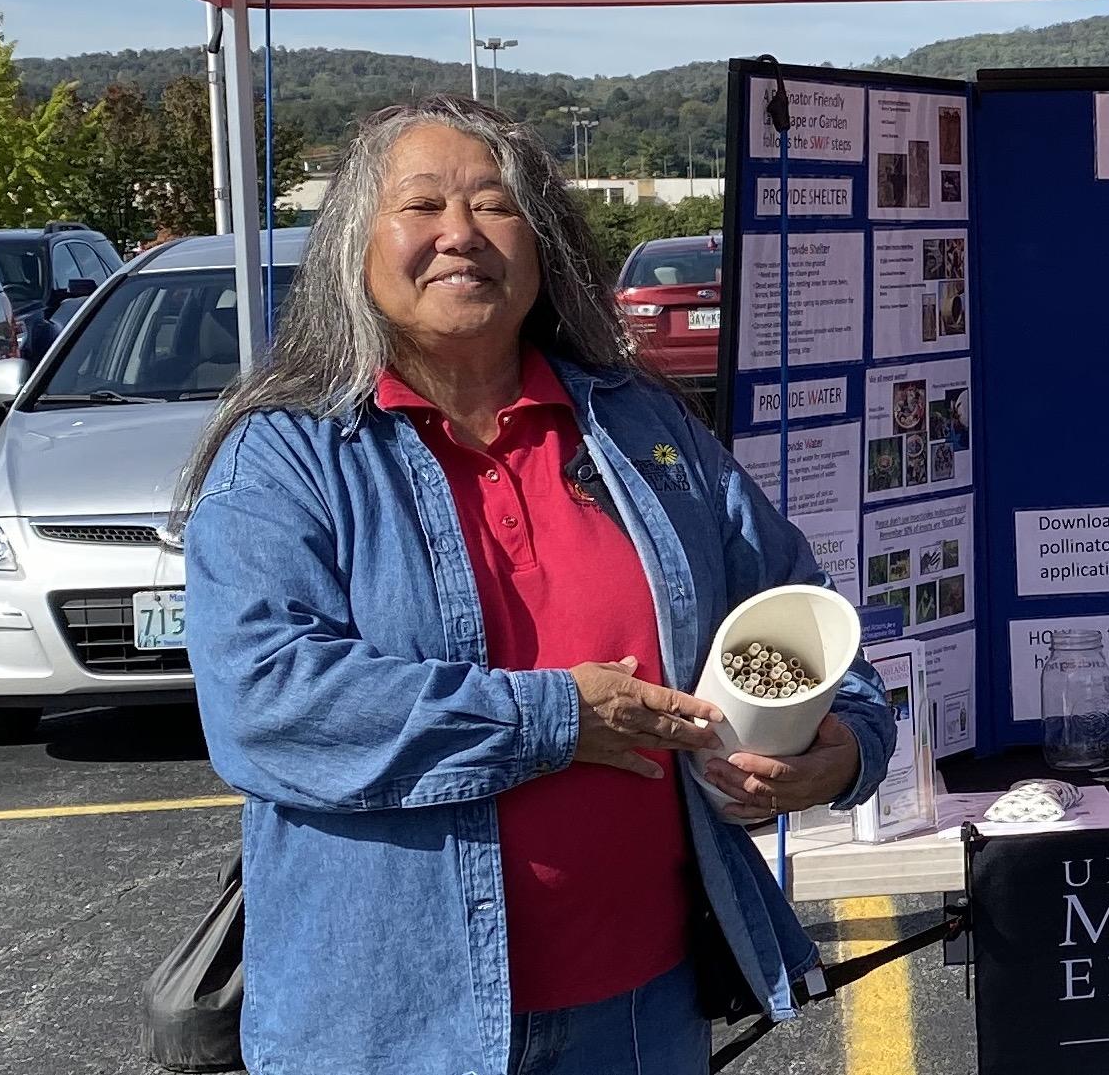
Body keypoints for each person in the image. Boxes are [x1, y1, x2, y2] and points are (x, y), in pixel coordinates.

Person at [179, 97, 893, 1075]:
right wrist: (556, 717)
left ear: (544, 243)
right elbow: (266, 704)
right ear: (356, 242)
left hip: (636, 1012)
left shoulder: (643, 427)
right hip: (386, 1027)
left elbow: (801, 610)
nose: (459, 233)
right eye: (421, 204)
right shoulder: (287, 453)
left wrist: (844, 748)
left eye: (496, 205)